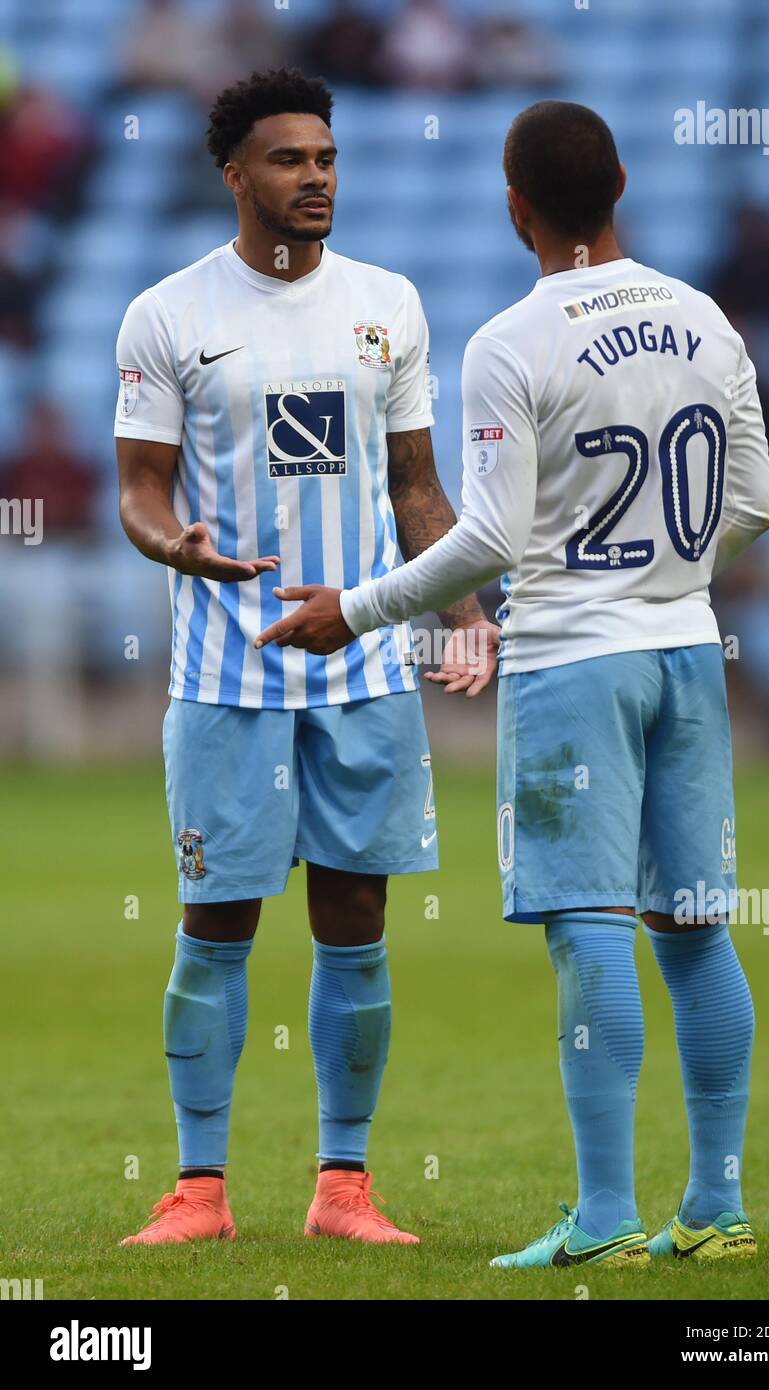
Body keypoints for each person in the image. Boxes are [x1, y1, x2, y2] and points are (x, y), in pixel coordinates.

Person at [259, 101, 769, 1269]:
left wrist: (357, 606)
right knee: (693, 927)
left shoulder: (510, 340)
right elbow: (752, 507)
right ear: (622, 185)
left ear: (513, 206)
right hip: (686, 652)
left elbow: (489, 535)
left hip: (569, 666)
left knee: (586, 925)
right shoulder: (704, 319)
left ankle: (602, 1220)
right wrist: (667, 579)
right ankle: (716, 1209)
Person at [114, 67, 497, 1248]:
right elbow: (136, 492)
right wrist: (172, 545)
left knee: (355, 921)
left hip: (365, 671)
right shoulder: (167, 314)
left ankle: (344, 1189)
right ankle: (198, 1190)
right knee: (214, 924)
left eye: (326, 157)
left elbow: (418, 486)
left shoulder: (387, 301)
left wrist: (466, 608)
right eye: (289, 160)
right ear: (235, 176)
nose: (316, 177)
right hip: (224, 676)